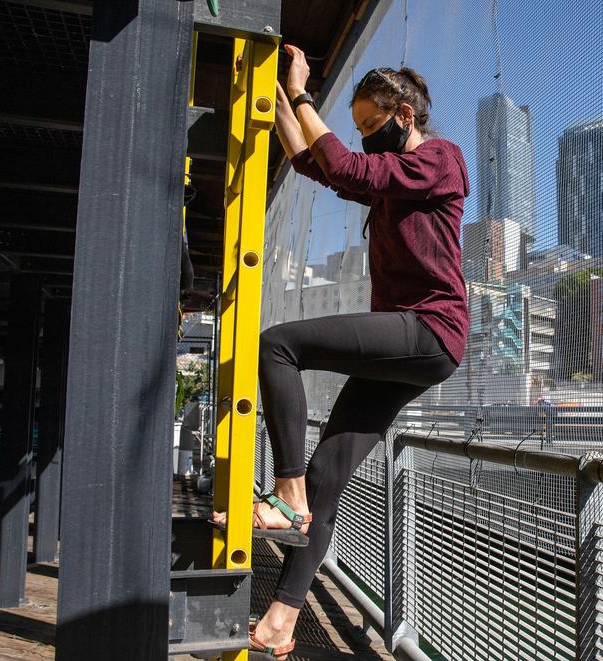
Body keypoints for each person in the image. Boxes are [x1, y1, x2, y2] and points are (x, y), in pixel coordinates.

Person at [217, 44, 470, 658]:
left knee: (277, 345)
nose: (364, 138)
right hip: (408, 341)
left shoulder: (439, 160)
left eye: (369, 126)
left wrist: (305, 94)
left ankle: (286, 492)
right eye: (356, 128)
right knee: (330, 471)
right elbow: (316, 164)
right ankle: (281, 620)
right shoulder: (392, 187)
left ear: (403, 116)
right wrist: (276, 98)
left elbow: (351, 168)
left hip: (430, 328)